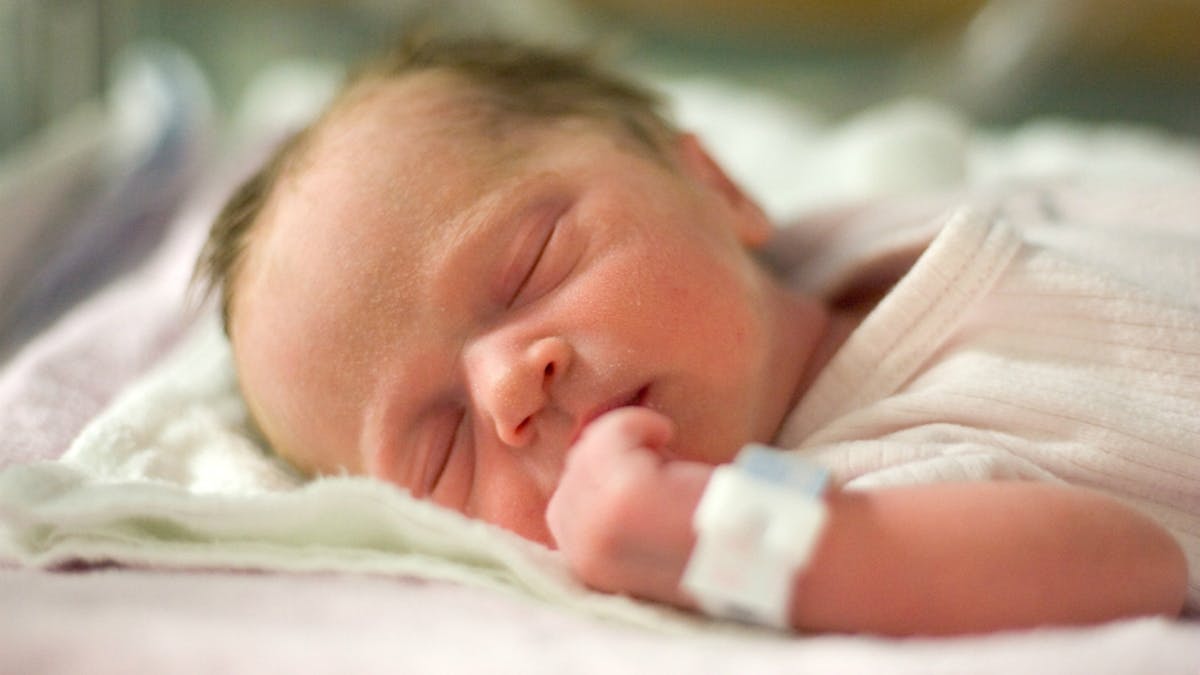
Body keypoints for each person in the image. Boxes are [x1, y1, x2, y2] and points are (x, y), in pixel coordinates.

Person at [194, 35, 1195, 636]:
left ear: (716, 186)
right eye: (441, 445)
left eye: (530, 265)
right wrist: (709, 538)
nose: (507, 388)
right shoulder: (845, 502)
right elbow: (1122, 566)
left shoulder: (866, 230)